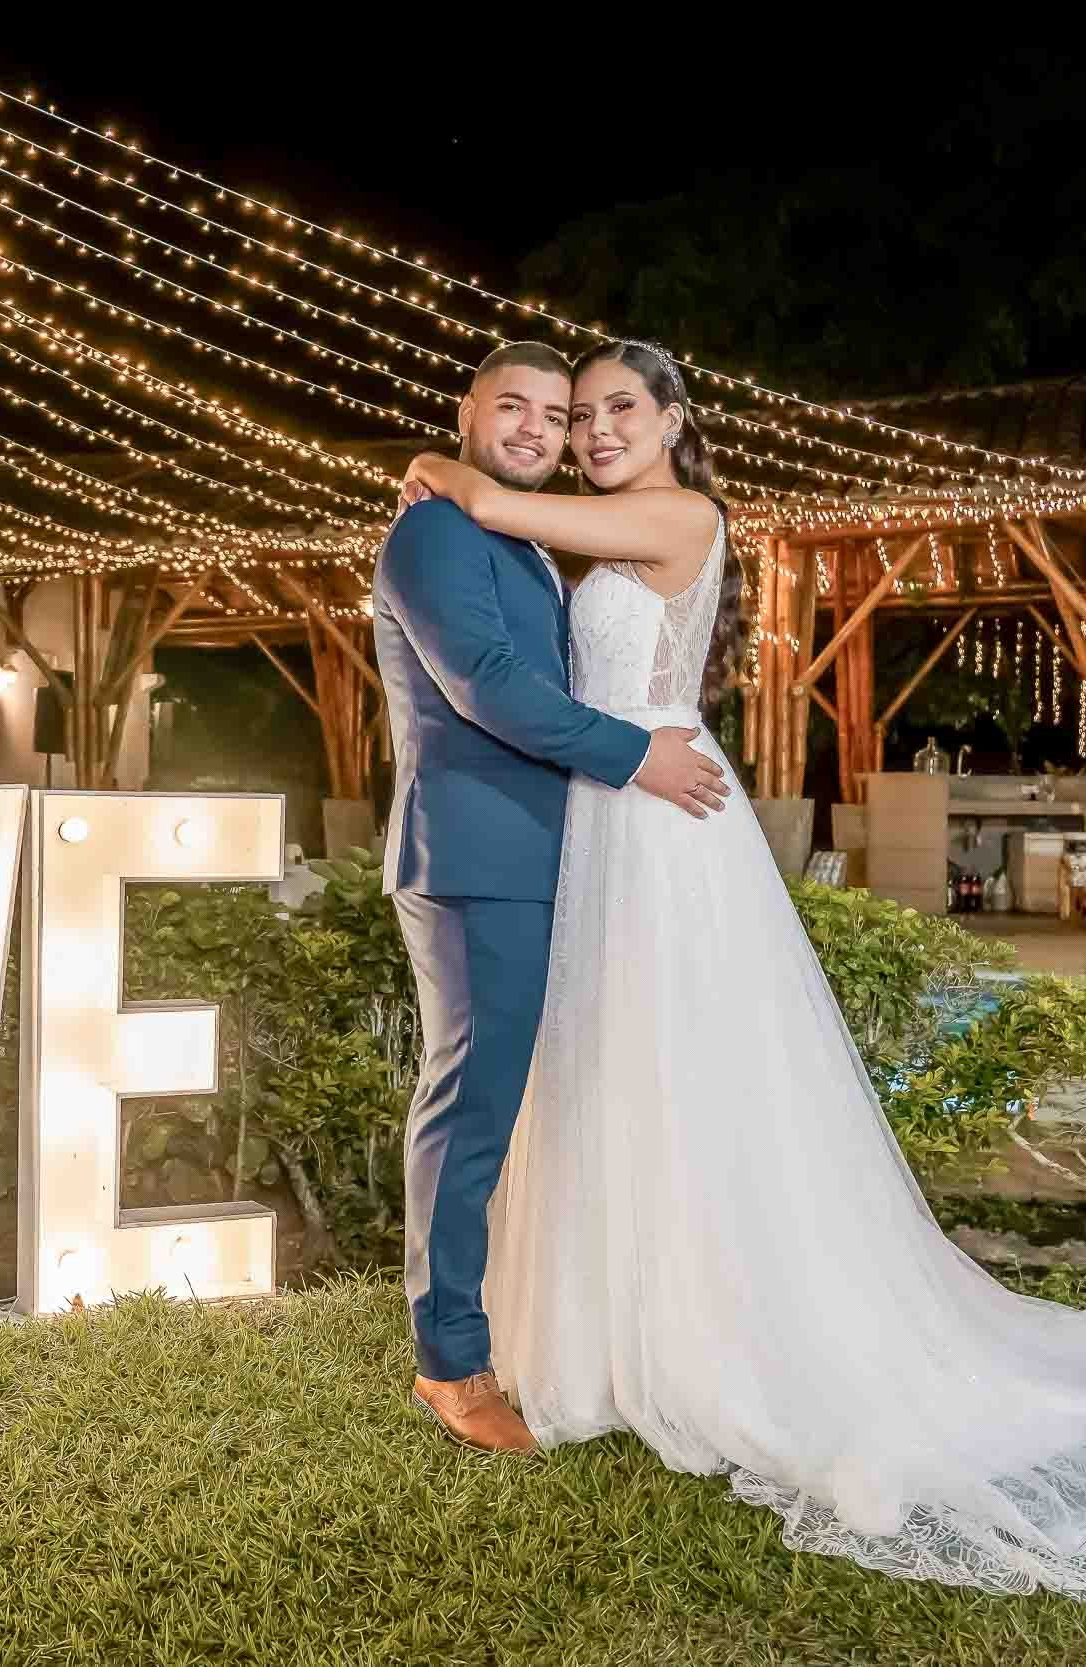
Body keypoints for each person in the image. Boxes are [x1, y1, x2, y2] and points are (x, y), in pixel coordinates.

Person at [395, 337, 1086, 1603]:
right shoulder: (582, 532)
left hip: (651, 802)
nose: (590, 430)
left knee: (675, 1068)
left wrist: (434, 454)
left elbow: (491, 501)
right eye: (570, 413)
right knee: (617, 1071)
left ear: (670, 419)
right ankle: (613, 1324)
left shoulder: (668, 511)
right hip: (604, 815)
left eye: (612, 408)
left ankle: (708, 1335)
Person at [370, 340, 727, 1457]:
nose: (542, 428)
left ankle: (599, 1326)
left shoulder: (510, 533)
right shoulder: (438, 527)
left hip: (561, 851)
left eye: (557, 412)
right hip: (480, 856)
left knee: (565, 1103)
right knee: (471, 1111)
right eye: (514, 408)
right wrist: (632, 755)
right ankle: (450, 1363)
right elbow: (488, 688)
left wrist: (448, 461)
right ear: (470, 410)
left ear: (666, 420)